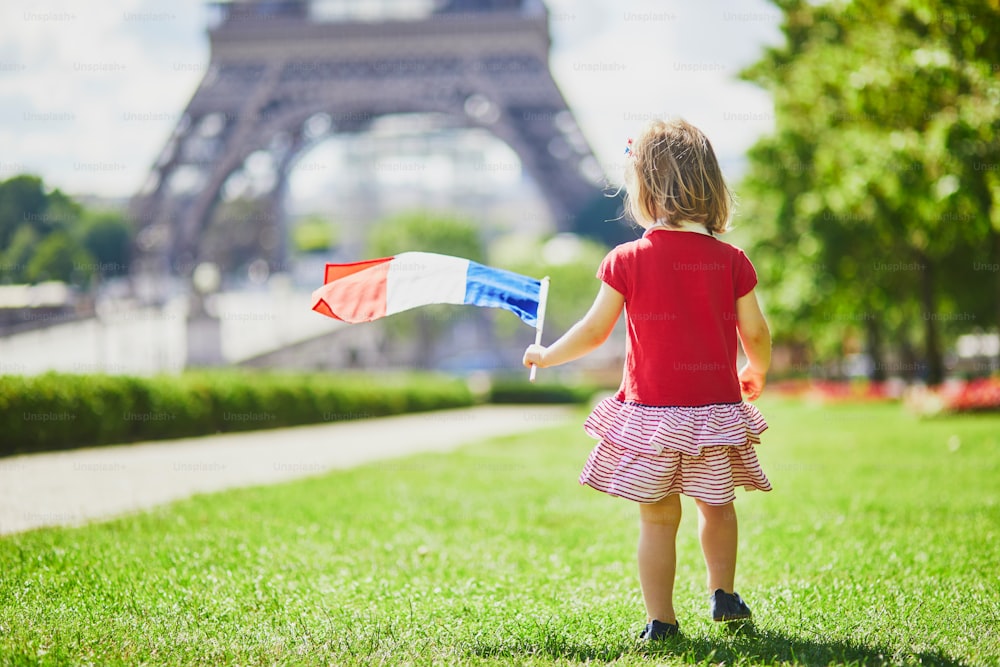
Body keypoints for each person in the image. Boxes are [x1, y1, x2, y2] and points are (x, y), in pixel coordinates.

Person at [523, 118, 772, 641]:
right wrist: (758, 370)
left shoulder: (626, 260)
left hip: (653, 416)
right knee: (718, 506)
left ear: (644, 189)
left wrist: (546, 356)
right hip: (713, 412)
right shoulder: (732, 261)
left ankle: (662, 621)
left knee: (658, 521)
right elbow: (757, 331)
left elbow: (594, 333)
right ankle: (723, 593)